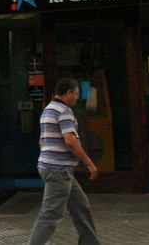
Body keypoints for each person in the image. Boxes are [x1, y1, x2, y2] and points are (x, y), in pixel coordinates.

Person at [26, 78, 101, 245]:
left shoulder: (48, 110)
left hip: (54, 168)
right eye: (76, 94)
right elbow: (70, 141)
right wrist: (89, 163)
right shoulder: (64, 111)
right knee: (51, 214)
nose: (77, 98)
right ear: (68, 93)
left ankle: (90, 242)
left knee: (80, 205)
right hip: (59, 170)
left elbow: (42, 141)